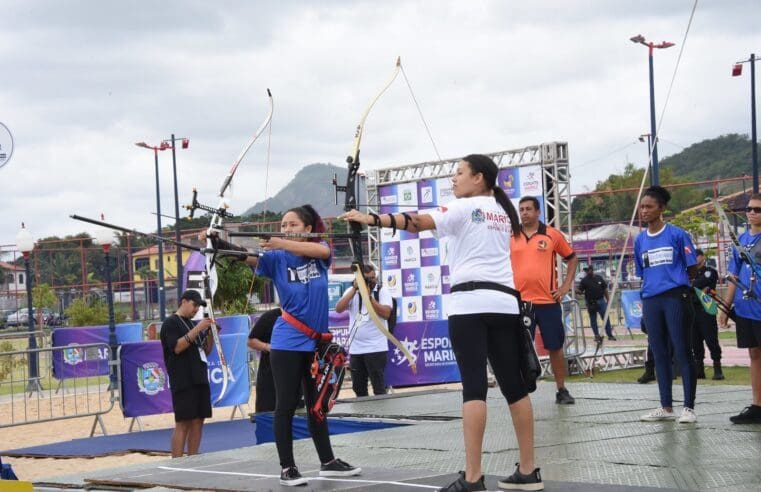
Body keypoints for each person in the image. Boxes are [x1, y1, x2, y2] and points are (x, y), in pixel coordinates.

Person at [342, 154, 542, 492]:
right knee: (515, 387)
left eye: (459, 173)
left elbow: (416, 222)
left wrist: (369, 218)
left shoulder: (464, 208)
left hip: (470, 305)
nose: (453, 179)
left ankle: (474, 478)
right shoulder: (502, 212)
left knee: (474, 388)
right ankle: (528, 470)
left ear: (479, 178)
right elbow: (438, 230)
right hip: (505, 303)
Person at [231, 205, 360, 486]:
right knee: (286, 405)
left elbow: (322, 252)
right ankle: (287, 467)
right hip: (287, 342)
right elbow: (246, 256)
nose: (286, 228)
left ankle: (328, 461)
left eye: (292, 224)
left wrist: (281, 242)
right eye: (284, 225)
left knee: (317, 405)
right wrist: (219, 242)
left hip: (315, 344)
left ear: (308, 229)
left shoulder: (319, 253)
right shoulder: (276, 257)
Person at [634, 186, 698, 424]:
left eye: (649, 206)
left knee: (682, 351)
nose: (644, 211)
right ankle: (666, 407)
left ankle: (689, 408)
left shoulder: (677, 234)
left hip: (675, 298)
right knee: (659, 353)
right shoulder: (640, 240)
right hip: (651, 300)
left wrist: (676, 283)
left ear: (662, 208)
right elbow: (643, 272)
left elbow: (692, 266)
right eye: (642, 206)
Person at [511, 196, 579, 405]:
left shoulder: (551, 234)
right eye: (521, 209)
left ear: (538, 212)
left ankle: (561, 389)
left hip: (548, 302)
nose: (524, 213)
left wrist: (566, 286)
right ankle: (520, 392)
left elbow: (572, 257)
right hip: (521, 303)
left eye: (528, 209)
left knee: (555, 346)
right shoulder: (511, 235)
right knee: (519, 347)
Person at [719, 193, 761, 424]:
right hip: (745, 307)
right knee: (754, 354)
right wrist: (725, 307)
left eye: (758, 209)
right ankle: (757, 405)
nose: (752, 213)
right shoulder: (740, 241)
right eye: (749, 209)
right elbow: (733, 276)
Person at [160, 290, 215, 458]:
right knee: (183, 422)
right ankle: (177, 461)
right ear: (184, 301)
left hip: (199, 377)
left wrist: (212, 333)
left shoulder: (191, 324)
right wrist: (199, 328)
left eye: (198, 306)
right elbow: (177, 347)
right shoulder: (170, 323)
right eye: (194, 304)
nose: (196, 309)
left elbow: (205, 351)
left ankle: (193, 458)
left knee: (199, 420)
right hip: (183, 379)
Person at [334, 265, 393, 397]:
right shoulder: (352, 291)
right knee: (358, 388)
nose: (371, 282)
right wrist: (355, 289)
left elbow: (386, 313)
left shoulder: (381, 291)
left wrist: (369, 297)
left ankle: (382, 414)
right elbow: (339, 308)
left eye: (373, 278)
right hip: (356, 349)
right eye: (367, 279)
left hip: (376, 347)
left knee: (379, 387)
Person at [691, 248, 723, 380]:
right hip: (693, 309)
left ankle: (717, 369)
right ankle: (699, 370)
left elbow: (699, 284)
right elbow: (692, 286)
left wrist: (694, 285)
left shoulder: (710, 271)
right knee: (695, 341)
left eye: (697, 256)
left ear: (703, 257)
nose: (695, 258)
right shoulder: (688, 273)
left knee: (711, 340)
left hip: (706, 308)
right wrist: (696, 286)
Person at [247, 308, 281, 413]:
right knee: (267, 413)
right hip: (269, 375)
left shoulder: (303, 316)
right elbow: (251, 341)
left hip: (295, 377)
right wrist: (267, 346)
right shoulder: (269, 316)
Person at [577, 265, 616, 342]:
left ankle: (610, 335)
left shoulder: (599, 278)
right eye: (586, 271)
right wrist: (577, 291)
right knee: (593, 319)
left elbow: (604, 289)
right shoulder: (584, 280)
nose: (587, 272)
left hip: (601, 300)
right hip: (590, 302)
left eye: (588, 270)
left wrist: (608, 299)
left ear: (592, 270)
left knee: (605, 318)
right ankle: (596, 336)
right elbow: (580, 291)